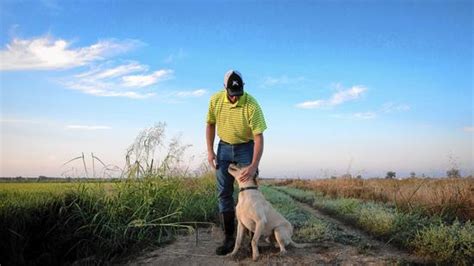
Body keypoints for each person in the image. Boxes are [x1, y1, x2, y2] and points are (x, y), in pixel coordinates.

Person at [206, 70, 267, 255]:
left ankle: (252, 240)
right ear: (225, 88)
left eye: (238, 94)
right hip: (223, 148)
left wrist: (254, 164)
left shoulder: (252, 104)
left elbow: (258, 137)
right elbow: (210, 124)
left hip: (246, 148)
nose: (234, 98)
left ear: (243, 88)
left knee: (250, 191)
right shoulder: (215, 100)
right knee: (224, 193)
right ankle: (229, 238)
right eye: (231, 94)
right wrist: (210, 151)